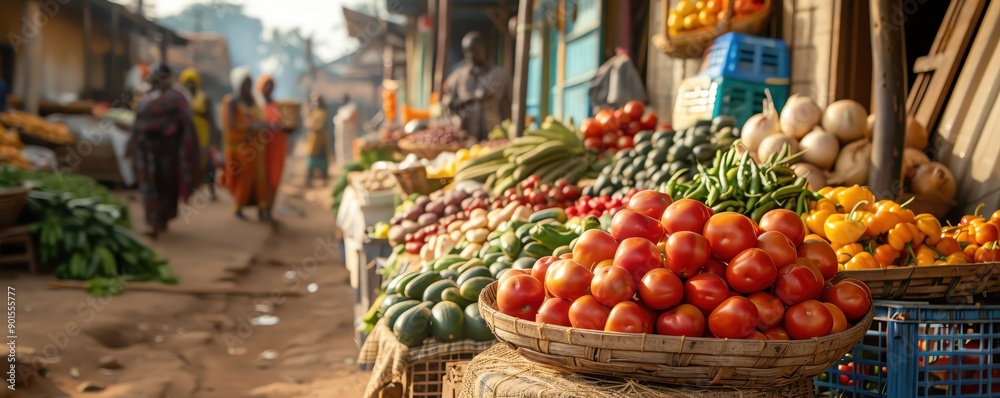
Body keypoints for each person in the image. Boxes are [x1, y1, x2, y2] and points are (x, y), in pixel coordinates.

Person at [131, 63, 201, 239]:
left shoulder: (178, 98)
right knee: (150, 186)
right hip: (148, 151)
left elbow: (187, 126)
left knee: (167, 186)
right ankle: (154, 223)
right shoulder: (146, 98)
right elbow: (138, 123)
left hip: (169, 151)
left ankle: (162, 220)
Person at [221, 67, 272, 222]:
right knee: (243, 178)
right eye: (245, 83)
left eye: (250, 83)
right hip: (240, 148)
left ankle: (262, 209)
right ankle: (239, 205)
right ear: (238, 84)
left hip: (256, 147)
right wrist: (249, 128)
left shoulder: (254, 101)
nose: (248, 86)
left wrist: (262, 126)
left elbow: (260, 120)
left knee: (260, 178)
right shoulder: (232, 102)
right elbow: (230, 124)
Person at [442, 31, 512, 141]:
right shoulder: (456, 77)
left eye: (475, 50)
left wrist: (509, 129)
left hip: (493, 134)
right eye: (467, 51)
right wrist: (462, 102)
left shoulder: (500, 76)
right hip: (464, 135)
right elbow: (448, 105)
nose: (471, 55)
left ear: (484, 49)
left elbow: (508, 105)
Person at [179, 68, 222, 201]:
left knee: (209, 165)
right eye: (188, 82)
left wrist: (213, 140)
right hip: (188, 137)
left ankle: (211, 190)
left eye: (192, 82)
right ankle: (188, 191)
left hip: (203, 136)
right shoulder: (182, 98)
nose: (190, 85)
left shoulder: (205, 98)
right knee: (190, 164)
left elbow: (212, 120)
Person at [256, 74, 289, 221]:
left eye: (270, 85)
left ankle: (268, 210)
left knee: (274, 178)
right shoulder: (257, 107)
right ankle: (261, 209)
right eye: (266, 85)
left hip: (277, 149)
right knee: (261, 178)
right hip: (260, 150)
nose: (268, 88)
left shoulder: (279, 107)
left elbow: (289, 127)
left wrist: (283, 127)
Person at [305, 92, 331, 187]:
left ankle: (324, 180)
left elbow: (319, 126)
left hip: (321, 141)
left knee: (322, 159)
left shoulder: (323, 113)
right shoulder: (314, 112)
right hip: (314, 141)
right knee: (311, 160)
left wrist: (311, 124)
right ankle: (309, 181)